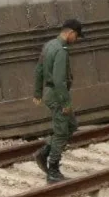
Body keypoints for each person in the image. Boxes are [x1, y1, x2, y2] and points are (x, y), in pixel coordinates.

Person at [33, 19, 83, 183]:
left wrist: (37, 92)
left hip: (50, 93)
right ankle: (53, 170)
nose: (76, 40)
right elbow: (60, 80)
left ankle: (45, 152)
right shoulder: (61, 51)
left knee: (71, 126)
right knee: (62, 132)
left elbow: (39, 69)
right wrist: (66, 104)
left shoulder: (49, 45)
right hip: (57, 95)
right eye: (76, 36)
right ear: (71, 33)